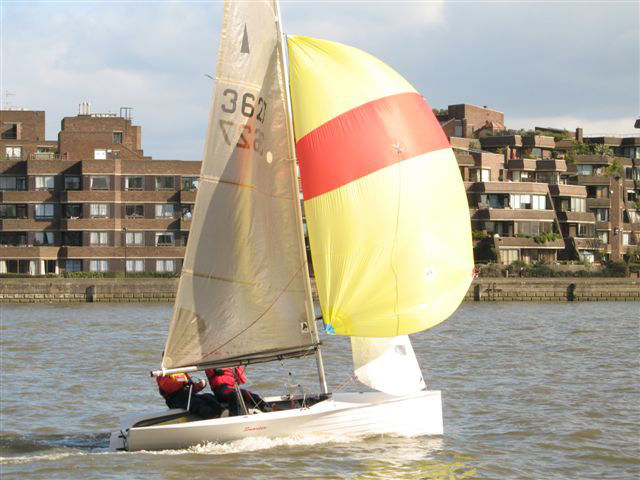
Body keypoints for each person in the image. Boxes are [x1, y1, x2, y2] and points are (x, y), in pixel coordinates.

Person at [205, 366, 270, 415]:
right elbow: (208, 366)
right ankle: (234, 416)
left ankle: (266, 408)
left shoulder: (233, 366)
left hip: (232, 388)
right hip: (220, 389)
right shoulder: (211, 366)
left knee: (247, 393)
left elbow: (242, 380)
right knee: (234, 394)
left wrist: (238, 366)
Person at [156, 372, 223, 419]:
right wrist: (183, 383)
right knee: (196, 403)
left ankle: (222, 413)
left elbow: (191, 388)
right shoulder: (163, 373)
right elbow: (167, 386)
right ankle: (212, 417)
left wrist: (199, 386)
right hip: (175, 399)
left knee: (208, 397)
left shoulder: (180, 372)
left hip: (188, 396)